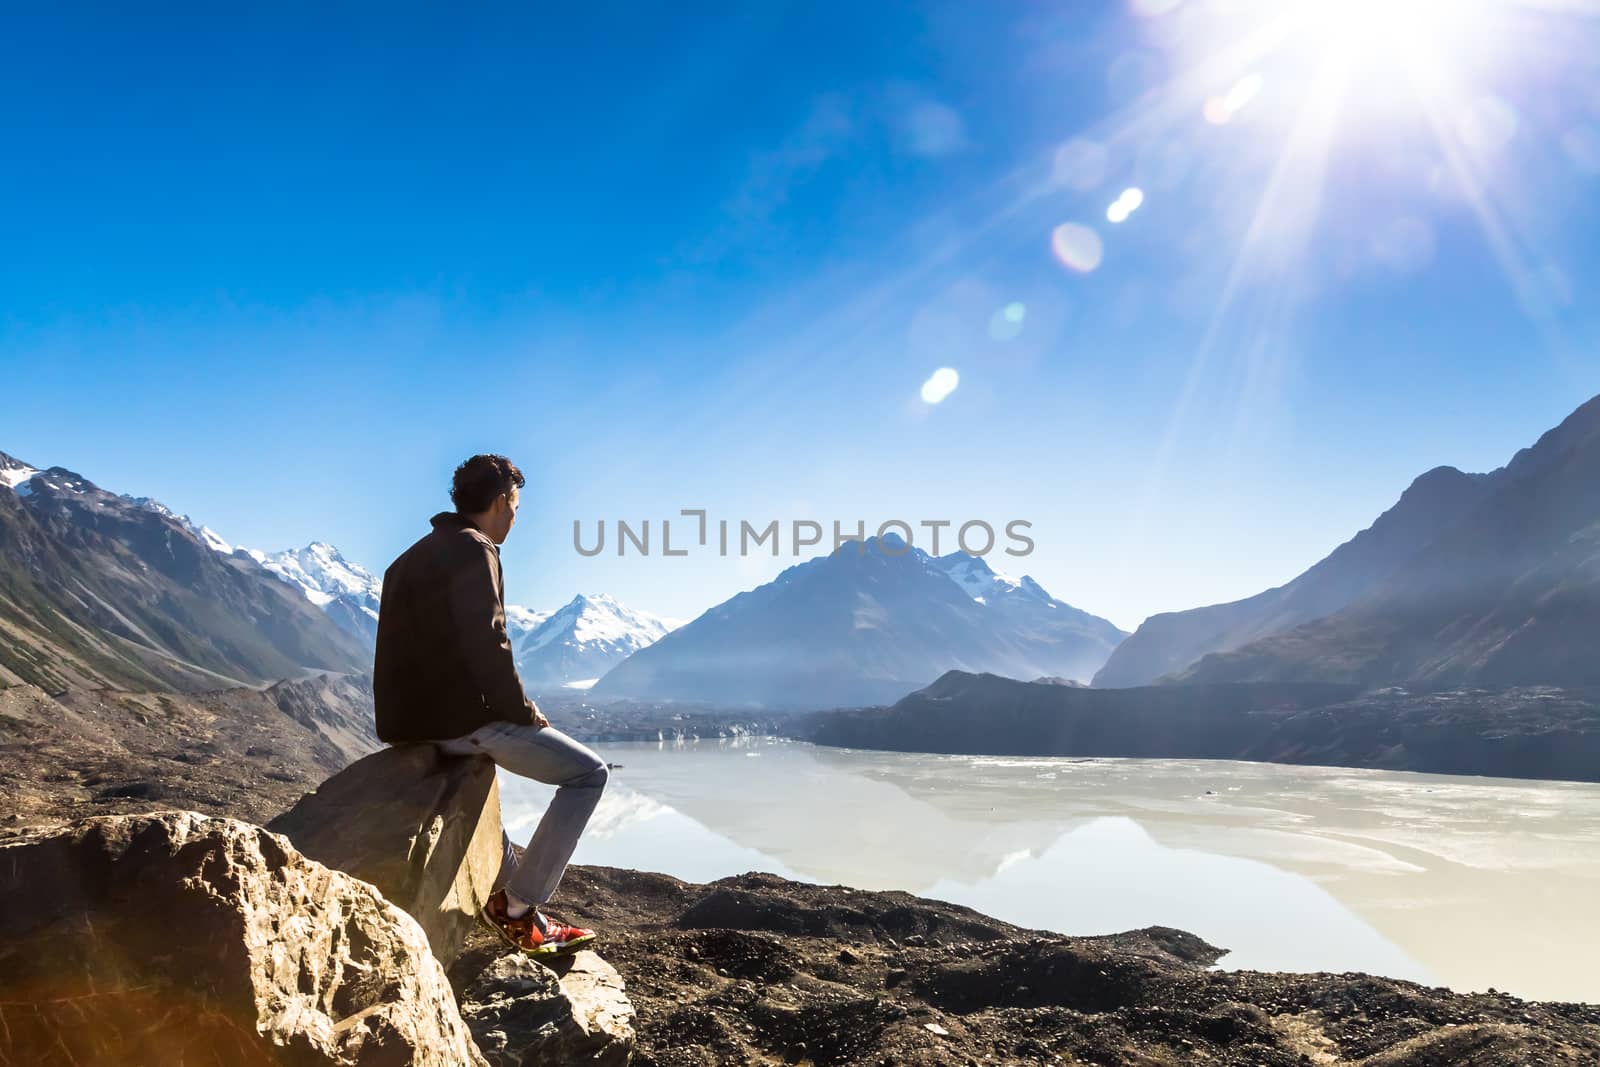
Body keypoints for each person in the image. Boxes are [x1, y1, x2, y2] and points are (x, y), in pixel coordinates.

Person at [373, 453, 608, 957]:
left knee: (482, 773)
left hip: (406, 723)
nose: (517, 517)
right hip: (458, 719)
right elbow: (489, 641)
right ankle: (518, 907)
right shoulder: (474, 548)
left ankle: (512, 903)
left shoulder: (411, 556)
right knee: (589, 774)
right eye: (516, 505)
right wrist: (521, 710)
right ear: (502, 502)